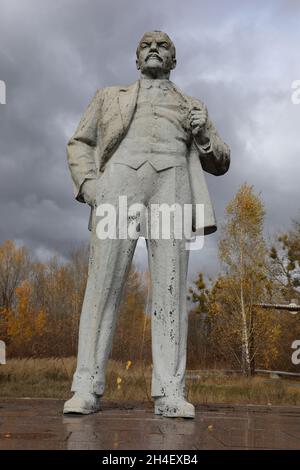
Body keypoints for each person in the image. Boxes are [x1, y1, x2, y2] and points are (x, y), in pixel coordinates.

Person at [64, 31, 230, 418]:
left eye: (164, 45)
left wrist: (203, 132)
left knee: (170, 291)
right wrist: (91, 186)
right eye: (145, 45)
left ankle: (171, 392)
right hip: (117, 187)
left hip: (172, 187)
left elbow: (221, 161)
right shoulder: (109, 96)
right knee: (102, 287)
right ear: (136, 59)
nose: (154, 48)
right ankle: (86, 386)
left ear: (174, 60)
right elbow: (80, 142)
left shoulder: (193, 106)